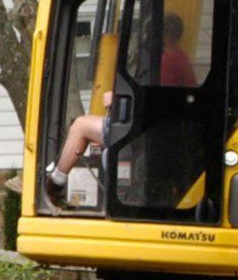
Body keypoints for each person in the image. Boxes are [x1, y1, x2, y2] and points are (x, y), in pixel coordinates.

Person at [43, 15, 196, 205]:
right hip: (162, 130)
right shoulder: (181, 59)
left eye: (150, 34)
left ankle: (55, 184)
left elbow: (151, 101)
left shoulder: (166, 61)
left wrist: (116, 101)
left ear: (165, 34)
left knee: (81, 125)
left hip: (146, 132)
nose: (147, 39)